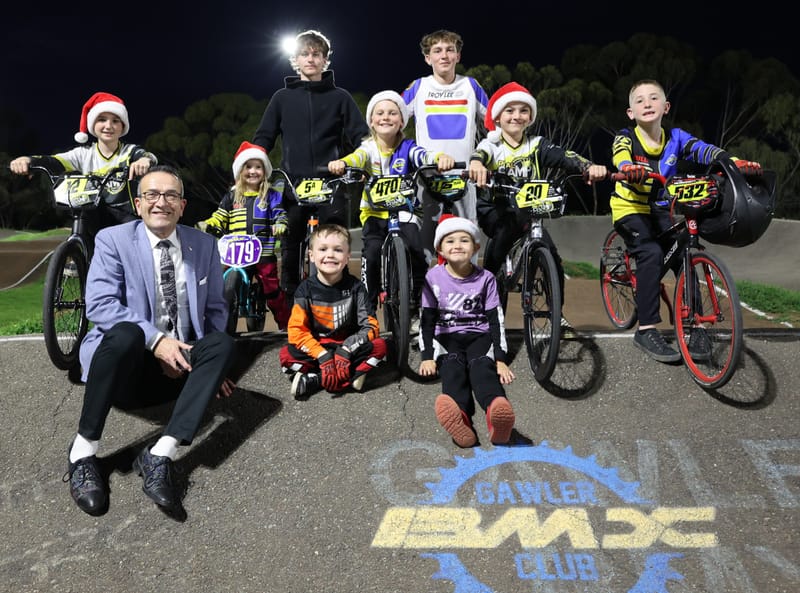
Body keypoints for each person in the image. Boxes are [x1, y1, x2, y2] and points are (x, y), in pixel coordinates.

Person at [64, 165, 237, 516]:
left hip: (178, 370)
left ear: (183, 205)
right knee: (127, 332)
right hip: (125, 370)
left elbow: (217, 310)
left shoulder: (205, 246)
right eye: (153, 195)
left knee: (222, 345)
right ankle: (82, 452)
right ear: (139, 204)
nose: (162, 202)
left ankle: (161, 454)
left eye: (171, 195)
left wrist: (210, 369)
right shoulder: (113, 240)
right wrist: (158, 342)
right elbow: (100, 304)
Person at [611, 79, 763, 363]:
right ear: (630, 113)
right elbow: (619, 153)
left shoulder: (676, 137)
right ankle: (645, 330)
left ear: (665, 107)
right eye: (639, 100)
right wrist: (627, 167)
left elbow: (705, 150)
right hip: (629, 208)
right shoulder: (626, 136)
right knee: (650, 253)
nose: (647, 103)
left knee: (685, 255)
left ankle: (696, 326)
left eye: (653, 98)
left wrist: (733, 162)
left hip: (660, 209)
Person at [469, 82, 607, 337]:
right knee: (499, 245)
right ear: (498, 117)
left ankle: (556, 312)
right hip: (497, 209)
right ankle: (487, 303)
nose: (516, 116)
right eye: (509, 110)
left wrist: (587, 166)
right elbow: (479, 157)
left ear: (530, 117)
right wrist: (477, 165)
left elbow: (566, 156)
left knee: (551, 255)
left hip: (530, 211)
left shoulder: (537, 144)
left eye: (523, 110)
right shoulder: (492, 145)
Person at [252, 29, 368, 318]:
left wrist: (366, 162)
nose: (311, 58)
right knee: (290, 240)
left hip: (332, 182)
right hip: (294, 182)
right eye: (305, 53)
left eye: (317, 54)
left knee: (335, 236)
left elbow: (360, 136)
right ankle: (292, 305)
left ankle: (340, 298)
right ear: (295, 59)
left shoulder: (341, 97)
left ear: (325, 60)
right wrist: (251, 165)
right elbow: (263, 137)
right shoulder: (281, 97)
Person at [328, 90, 455, 314]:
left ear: (402, 121)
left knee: (417, 250)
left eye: (392, 113)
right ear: (372, 121)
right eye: (380, 113)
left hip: (404, 211)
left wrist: (439, 159)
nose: (386, 117)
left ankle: (416, 303)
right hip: (375, 213)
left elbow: (424, 156)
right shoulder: (367, 148)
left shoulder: (408, 148)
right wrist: (342, 163)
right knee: (372, 252)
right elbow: (356, 158)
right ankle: (367, 309)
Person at [418, 217, 516, 447]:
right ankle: (460, 417)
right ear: (440, 249)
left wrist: (501, 359)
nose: (458, 245)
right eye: (450, 241)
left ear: (476, 248)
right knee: (452, 368)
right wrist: (427, 357)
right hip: (446, 336)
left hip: (478, 335)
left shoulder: (486, 278)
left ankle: (496, 411)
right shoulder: (433, 277)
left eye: (465, 240)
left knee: (483, 367)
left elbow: (495, 320)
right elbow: (427, 320)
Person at [9, 91, 157, 242]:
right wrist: (28, 160)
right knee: (83, 216)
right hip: (93, 213)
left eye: (115, 121)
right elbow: (53, 161)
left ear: (122, 126)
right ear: (93, 124)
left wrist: (144, 161)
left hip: (123, 215)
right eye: (102, 120)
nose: (108, 126)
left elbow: (147, 157)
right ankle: (77, 257)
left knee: (136, 235)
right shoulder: (83, 154)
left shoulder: (128, 152)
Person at [401, 29, 489, 262]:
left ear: (458, 56)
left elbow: (494, 122)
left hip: (464, 175)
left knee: (467, 239)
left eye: (450, 50)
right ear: (427, 58)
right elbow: (392, 118)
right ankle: (422, 293)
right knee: (425, 246)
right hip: (428, 176)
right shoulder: (419, 87)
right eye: (437, 51)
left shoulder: (470, 85)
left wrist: (489, 156)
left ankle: (468, 293)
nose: (444, 55)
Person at [279, 224, 388, 399]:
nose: (330, 255)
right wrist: (321, 355)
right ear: (312, 256)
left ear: (347, 257)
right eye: (323, 249)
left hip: (347, 347)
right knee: (286, 355)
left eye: (338, 250)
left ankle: (314, 379)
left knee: (381, 347)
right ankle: (349, 377)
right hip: (318, 347)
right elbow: (296, 331)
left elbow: (370, 327)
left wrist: (346, 349)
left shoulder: (357, 288)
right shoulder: (304, 290)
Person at [201, 141, 289, 330]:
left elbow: (279, 213)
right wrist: (212, 223)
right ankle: (224, 320)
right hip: (236, 251)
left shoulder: (271, 196)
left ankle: (286, 325)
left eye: (258, 167)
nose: (253, 171)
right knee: (224, 282)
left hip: (263, 250)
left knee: (271, 289)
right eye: (248, 166)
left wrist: (280, 224)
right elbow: (220, 215)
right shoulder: (232, 197)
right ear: (241, 170)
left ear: (264, 171)